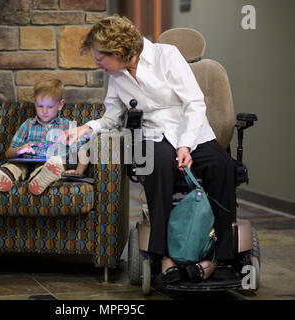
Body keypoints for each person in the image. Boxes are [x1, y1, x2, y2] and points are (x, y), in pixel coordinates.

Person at [61, 15, 236, 284]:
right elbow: (112, 117)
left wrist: (185, 145)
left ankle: (215, 257)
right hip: (153, 135)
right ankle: (165, 256)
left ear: (118, 51)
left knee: (223, 166)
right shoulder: (117, 75)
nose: (97, 64)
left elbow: (194, 103)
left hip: (191, 131)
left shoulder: (167, 55)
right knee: (155, 164)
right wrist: (86, 128)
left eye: (99, 58)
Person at [0, 79, 89, 195]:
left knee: (54, 164)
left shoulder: (67, 126)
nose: (44, 111)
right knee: (14, 166)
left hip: (51, 163)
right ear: (35, 103)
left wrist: (78, 171)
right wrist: (21, 149)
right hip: (26, 161)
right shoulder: (28, 125)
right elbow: (8, 153)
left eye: (50, 107)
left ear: (60, 105)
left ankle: (39, 179)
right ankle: (3, 175)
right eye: (40, 106)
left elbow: (83, 150)